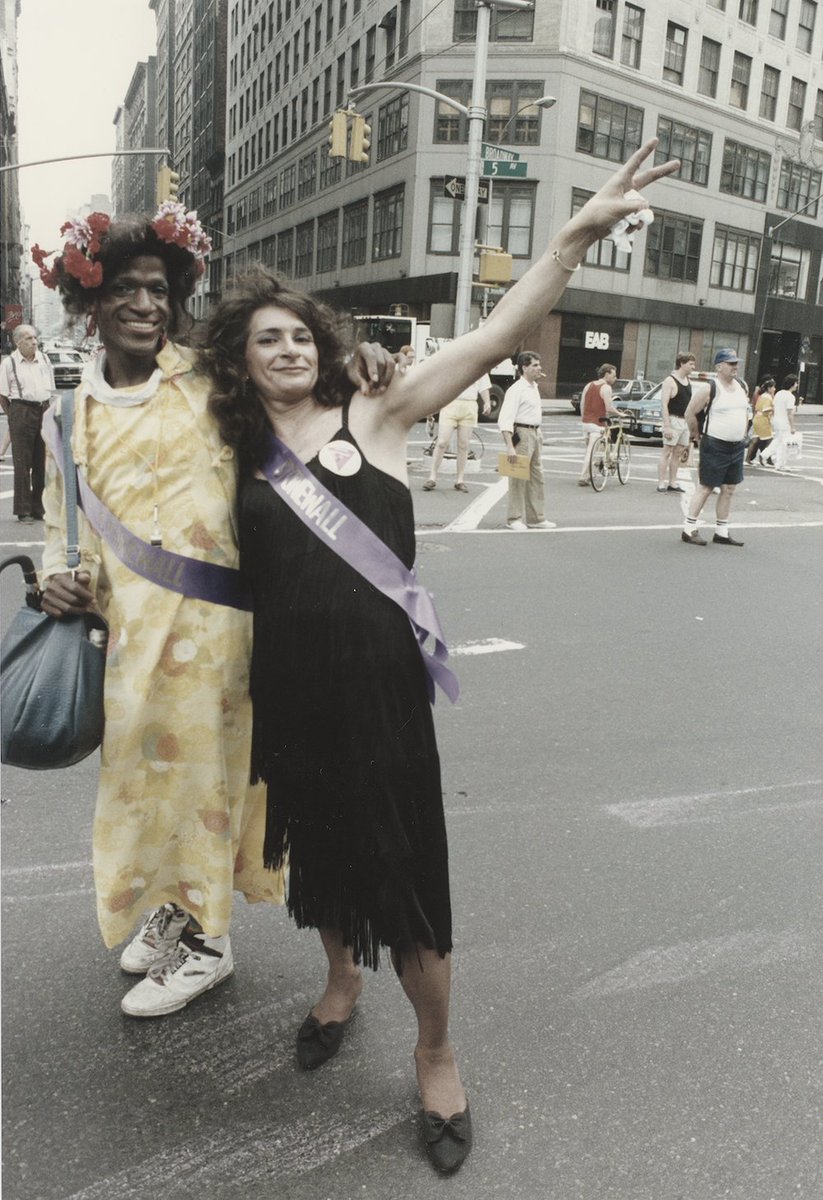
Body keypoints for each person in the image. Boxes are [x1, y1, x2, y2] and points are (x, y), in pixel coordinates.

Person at [201, 138, 678, 1172]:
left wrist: (567, 241)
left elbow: (498, 332)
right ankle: (340, 982)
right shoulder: (231, 453)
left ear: (319, 345)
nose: (284, 349)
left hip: (379, 697)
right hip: (288, 693)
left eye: (296, 335)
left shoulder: (373, 409)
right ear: (238, 362)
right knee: (317, 856)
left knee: (406, 879)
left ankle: (436, 1047)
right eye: (263, 341)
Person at [32, 207, 391, 1019]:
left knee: (203, 785)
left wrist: (354, 361)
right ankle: (169, 917)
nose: (144, 304)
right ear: (91, 299)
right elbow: (66, 524)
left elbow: (299, 384)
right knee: (143, 785)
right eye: (124, 287)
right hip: (127, 641)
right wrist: (56, 578)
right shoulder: (67, 412)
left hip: (223, 635)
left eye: (158, 288)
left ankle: (207, 943)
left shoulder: (208, 377)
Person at [681, 347, 748, 546]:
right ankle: (689, 528)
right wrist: (696, 435)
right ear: (719, 366)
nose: (735, 367)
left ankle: (722, 531)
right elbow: (689, 413)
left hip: (736, 446)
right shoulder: (710, 387)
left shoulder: (742, 386)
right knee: (706, 486)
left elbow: (744, 412)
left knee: (729, 488)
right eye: (730, 363)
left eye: (736, 363)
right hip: (715, 443)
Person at [0, 324, 55, 523]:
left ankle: (39, 508)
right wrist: (15, 415)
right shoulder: (9, 363)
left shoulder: (45, 359)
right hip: (20, 409)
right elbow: (3, 396)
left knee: (42, 462)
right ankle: (23, 510)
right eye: (29, 339)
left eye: (35, 338)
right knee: (22, 463)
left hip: (42, 409)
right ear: (18, 343)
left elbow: (50, 389)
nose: (34, 342)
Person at [498, 353, 554, 528]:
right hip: (521, 433)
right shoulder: (516, 389)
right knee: (517, 477)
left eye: (539, 365)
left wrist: (539, 433)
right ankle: (514, 518)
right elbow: (505, 419)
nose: (539, 368)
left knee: (537, 477)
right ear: (524, 367)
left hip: (535, 433)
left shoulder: (533, 387)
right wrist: (510, 446)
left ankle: (536, 518)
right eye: (535, 365)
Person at [422, 374, 491, 493]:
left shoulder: (479, 363)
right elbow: (440, 385)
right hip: (450, 403)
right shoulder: (454, 360)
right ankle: (432, 477)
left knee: (463, 445)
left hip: (469, 405)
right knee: (442, 442)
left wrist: (487, 402)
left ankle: (460, 480)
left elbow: (483, 386)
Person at [577, 363, 626, 487]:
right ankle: (584, 476)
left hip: (586, 423)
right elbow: (609, 408)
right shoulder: (606, 388)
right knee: (592, 452)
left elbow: (582, 404)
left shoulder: (589, 385)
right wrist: (620, 414)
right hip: (598, 424)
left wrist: (584, 418)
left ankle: (590, 474)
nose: (615, 379)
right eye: (614, 376)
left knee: (591, 450)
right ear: (607, 374)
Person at [656, 352, 695, 493]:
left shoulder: (688, 381)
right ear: (682, 364)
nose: (693, 367)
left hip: (684, 421)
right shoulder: (670, 381)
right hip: (673, 420)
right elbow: (664, 404)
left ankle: (672, 483)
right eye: (691, 364)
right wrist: (667, 425)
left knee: (678, 453)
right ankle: (661, 482)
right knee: (667, 451)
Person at [762, 374, 798, 471]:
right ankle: (776, 461)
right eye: (796, 383)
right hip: (784, 422)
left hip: (776, 420)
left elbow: (773, 407)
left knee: (778, 440)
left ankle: (772, 458)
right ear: (792, 384)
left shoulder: (779, 393)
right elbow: (789, 413)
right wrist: (792, 426)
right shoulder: (790, 397)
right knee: (783, 443)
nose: (797, 385)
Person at [745, 378, 775, 465]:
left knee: (755, 439)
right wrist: (773, 409)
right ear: (769, 388)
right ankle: (765, 457)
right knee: (769, 439)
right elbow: (766, 409)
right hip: (763, 419)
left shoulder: (762, 396)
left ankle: (748, 459)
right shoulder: (768, 397)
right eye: (773, 387)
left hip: (757, 418)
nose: (774, 389)